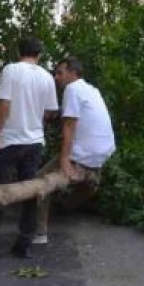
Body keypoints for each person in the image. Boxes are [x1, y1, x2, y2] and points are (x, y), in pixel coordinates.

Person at [0, 37, 59, 260]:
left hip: (9, 140)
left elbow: (3, 105)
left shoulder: (11, 70)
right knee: (29, 193)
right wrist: (35, 120)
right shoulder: (47, 76)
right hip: (34, 142)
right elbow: (51, 112)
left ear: (19, 52)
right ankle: (24, 244)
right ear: (39, 55)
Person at [33, 57, 116, 245]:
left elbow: (69, 126)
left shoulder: (72, 89)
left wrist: (65, 160)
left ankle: (40, 233)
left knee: (40, 181)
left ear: (73, 73)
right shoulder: (91, 90)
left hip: (84, 154)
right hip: (102, 154)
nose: (56, 77)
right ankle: (64, 208)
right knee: (85, 185)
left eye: (60, 73)